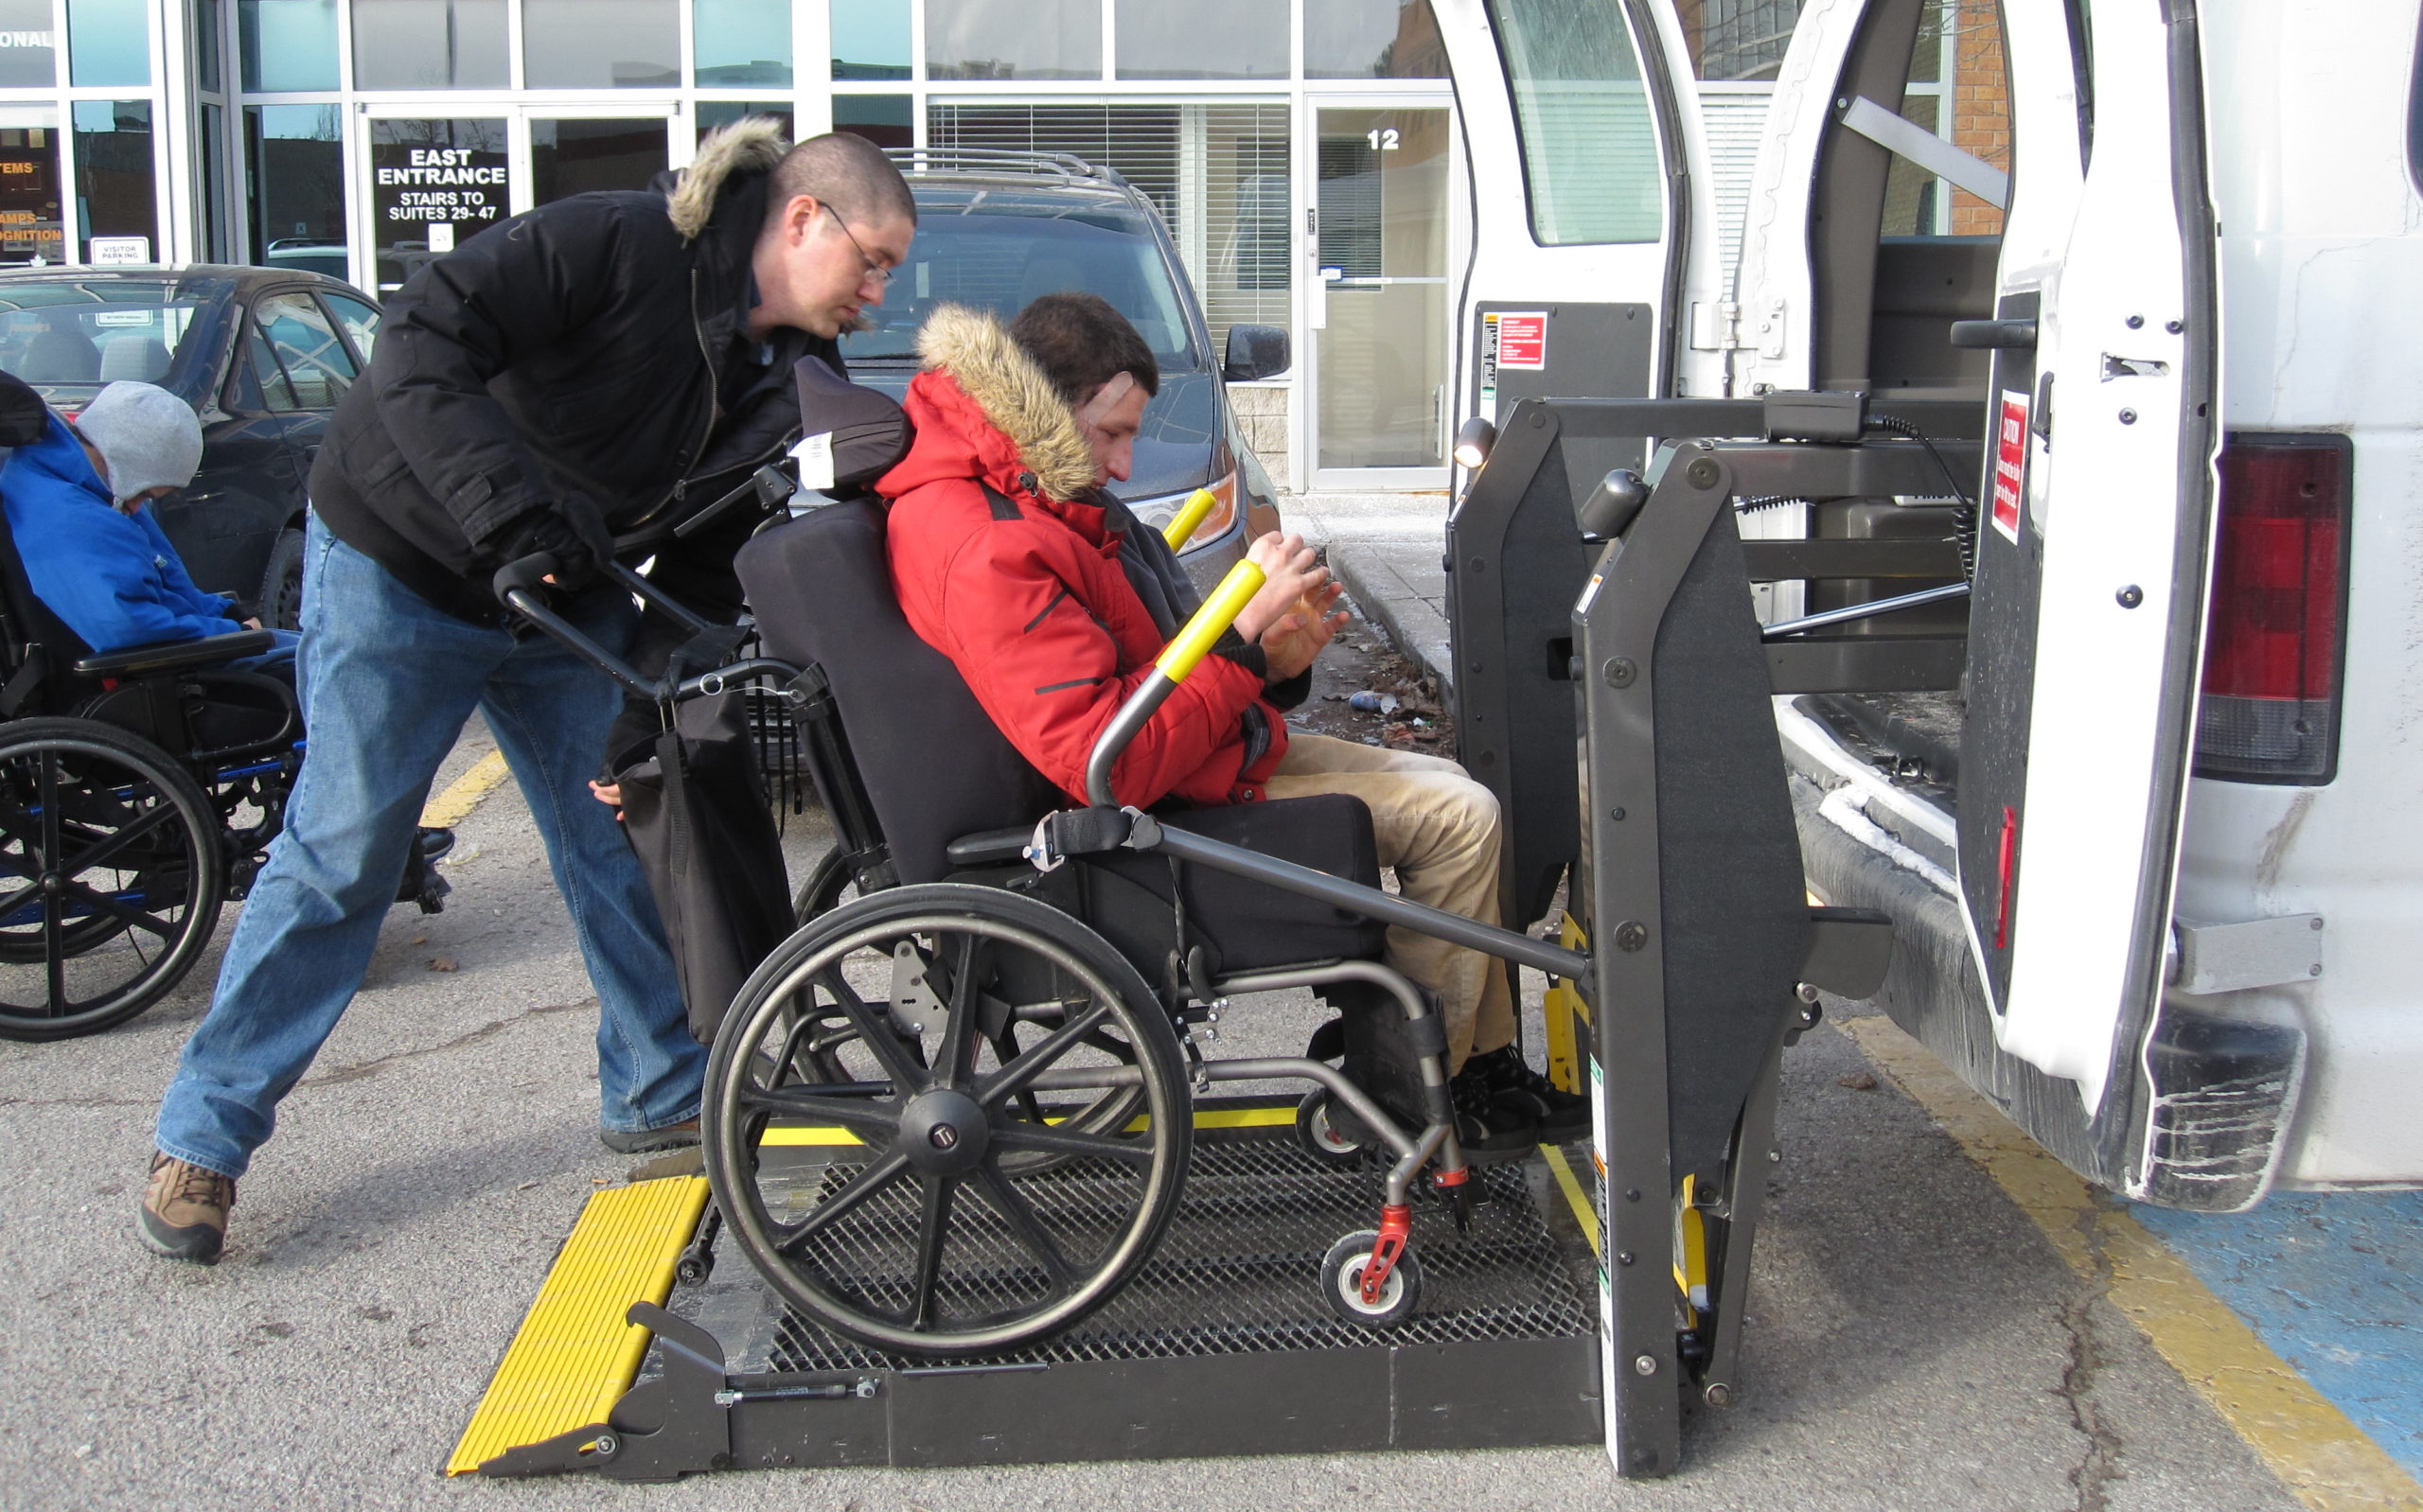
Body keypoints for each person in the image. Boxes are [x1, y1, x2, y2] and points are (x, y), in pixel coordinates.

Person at [139, 124, 917, 1265]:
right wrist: (507, 515)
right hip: (400, 557)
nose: (880, 295)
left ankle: (660, 1088)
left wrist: (636, 715)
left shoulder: (788, 387)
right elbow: (418, 340)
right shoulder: (617, 244)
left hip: (559, 592)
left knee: (620, 829)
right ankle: (201, 1137)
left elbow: (702, 574)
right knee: (346, 850)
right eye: (876, 262)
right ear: (805, 220)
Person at [877, 291, 1584, 1162]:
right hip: (1130, 825)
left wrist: (1271, 660)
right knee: (1460, 820)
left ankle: (1470, 1058)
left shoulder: (1022, 507)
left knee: (1453, 791)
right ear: (1044, 410)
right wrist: (1244, 641)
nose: (1126, 465)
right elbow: (1110, 759)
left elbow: (1135, 683)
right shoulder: (992, 544)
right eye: (1111, 434)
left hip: (1185, 769)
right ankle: (1413, 1092)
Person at [0, 378, 295, 672]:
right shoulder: (69, 517)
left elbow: (166, 579)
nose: (137, 506)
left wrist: (225, 615)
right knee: (317, 670)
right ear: (123, 461)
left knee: (312, 654)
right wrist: (233, 634)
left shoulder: (85, 485)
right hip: (160, 673)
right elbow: (124, 627)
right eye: (143, 493)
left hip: (176, 648)